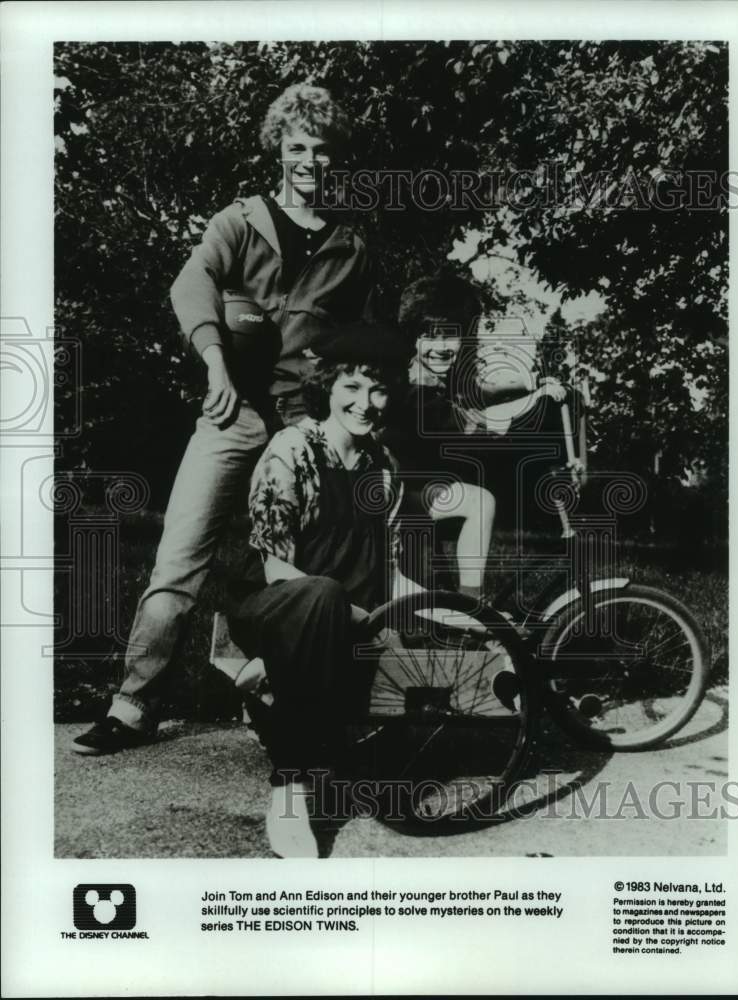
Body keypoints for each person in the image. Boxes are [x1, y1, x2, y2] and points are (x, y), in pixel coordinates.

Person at [72, 83, 373, 755]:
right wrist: (214, 364)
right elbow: (192, 283)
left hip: (303, 427)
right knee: (179, 560)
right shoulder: (240, 220)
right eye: (297, 146)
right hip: (231, 415)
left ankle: (287, 698)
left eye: (322, 150)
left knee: (306, 569)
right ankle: (133, 706)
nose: (310, 161)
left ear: (336, 160)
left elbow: (353, 347)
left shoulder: (351, 248)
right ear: (277, 150)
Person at [225, 324, 411, 857]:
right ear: (328, 388)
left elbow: (393, 567)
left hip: (347, 614)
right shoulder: (294, 448)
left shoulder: (383, 468)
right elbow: (273, 564)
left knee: (342, 605)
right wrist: (348, 613)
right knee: (322, 595)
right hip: (276, 603)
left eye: (377, 390)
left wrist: (459, 613)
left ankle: (271, 677)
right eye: (351, 388)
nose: (365, 403)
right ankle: (289, 793)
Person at [384, 274, 497, 600]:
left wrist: (531, 389)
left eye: (452, 336)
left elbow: (482, 395)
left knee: (476, 500)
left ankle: (465, 601)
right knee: (480, 502)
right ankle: (471, 603)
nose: (442, 347)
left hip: (412, 488)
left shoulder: (439, 381)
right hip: (386, 494)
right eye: (429, 337)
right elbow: (460, 420)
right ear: (411, 337)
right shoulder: (408, 384)